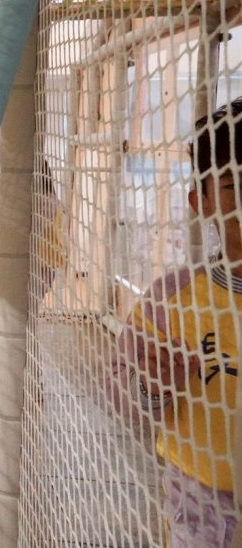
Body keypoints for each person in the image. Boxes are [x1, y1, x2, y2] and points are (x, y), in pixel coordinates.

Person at [111, 97, 241, 547]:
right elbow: (120, 385)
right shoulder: (173, 298)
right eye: (235, 183)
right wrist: (152, 387)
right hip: (201, 511)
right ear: (200, 202)